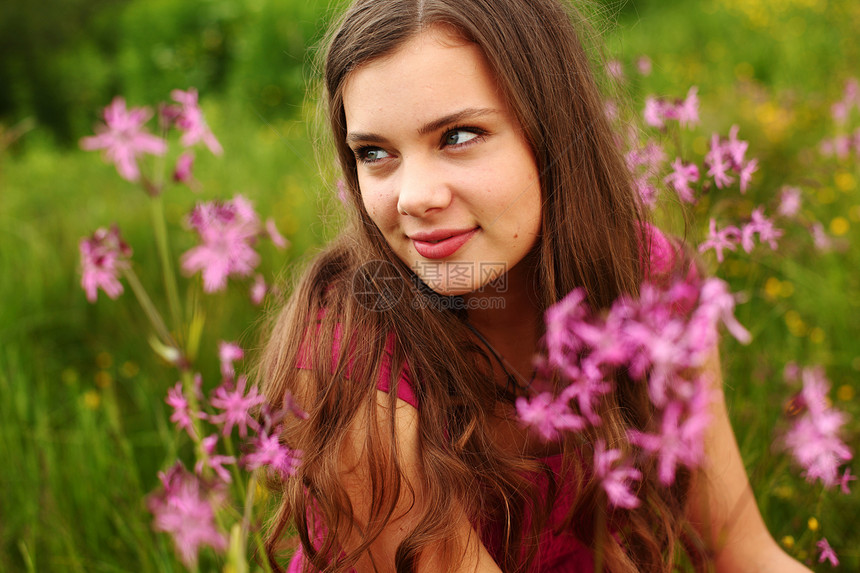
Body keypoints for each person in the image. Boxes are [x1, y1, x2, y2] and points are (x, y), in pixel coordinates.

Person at [259, 0, 811, 571]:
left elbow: (744, 552)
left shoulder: (651, 282)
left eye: (458, 136)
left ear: (552, 129)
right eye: (375, 154)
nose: (412, 197)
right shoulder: (352, 360)